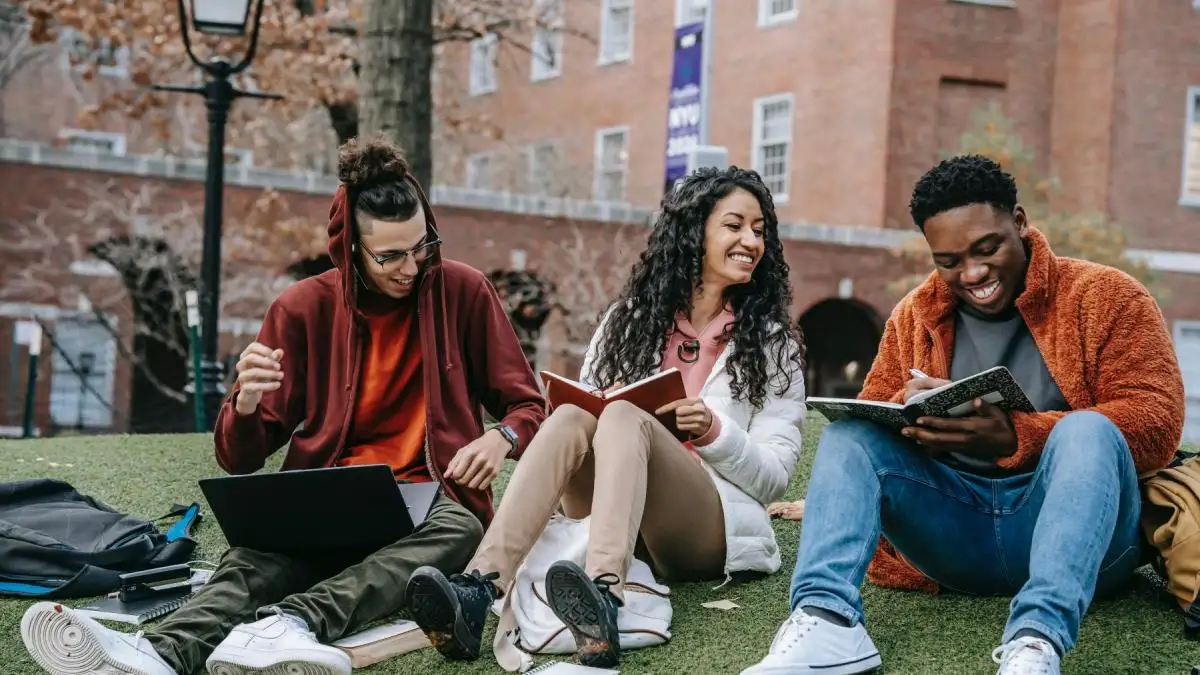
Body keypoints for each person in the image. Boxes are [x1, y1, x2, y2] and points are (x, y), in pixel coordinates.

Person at [18, 134, 547, 675]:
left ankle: (290, 624)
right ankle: (158, 653)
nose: (410, 267)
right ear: (350, 248)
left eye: (421, 246)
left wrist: (501, 437)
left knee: (462, 530)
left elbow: (528, 405)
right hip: (326, 496)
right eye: (389, 256)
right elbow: (239, 459)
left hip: (428, 501)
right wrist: (246, 403)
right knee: (252, 561)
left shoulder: (464, 292)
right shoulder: (301, 308)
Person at [742, 154, 1186, 675]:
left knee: (1088, 429)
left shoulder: (1108, 297)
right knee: (850, 436)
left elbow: (1157, 423)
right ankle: (826, 620)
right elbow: (877, 413)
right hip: (955, 537)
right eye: (949, 260)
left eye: (987, 248)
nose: (972, 273)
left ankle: (1036, 642)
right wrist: (913, 415)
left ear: (1019, 222)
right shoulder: (914, 313)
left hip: (1083, 541)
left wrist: (1017, 436)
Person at [403, 166, 809, 669]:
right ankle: (478, 587)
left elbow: (774, 476)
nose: (751, 241)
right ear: (693, 232)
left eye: (759, 230)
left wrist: (713, 432)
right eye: (734, 225)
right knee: (573, 415)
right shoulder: (628, 321)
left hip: (704, 528)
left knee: (623, 417)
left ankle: (604, 598)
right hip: (611, 515)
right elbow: (586, 418)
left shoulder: (771, 344)